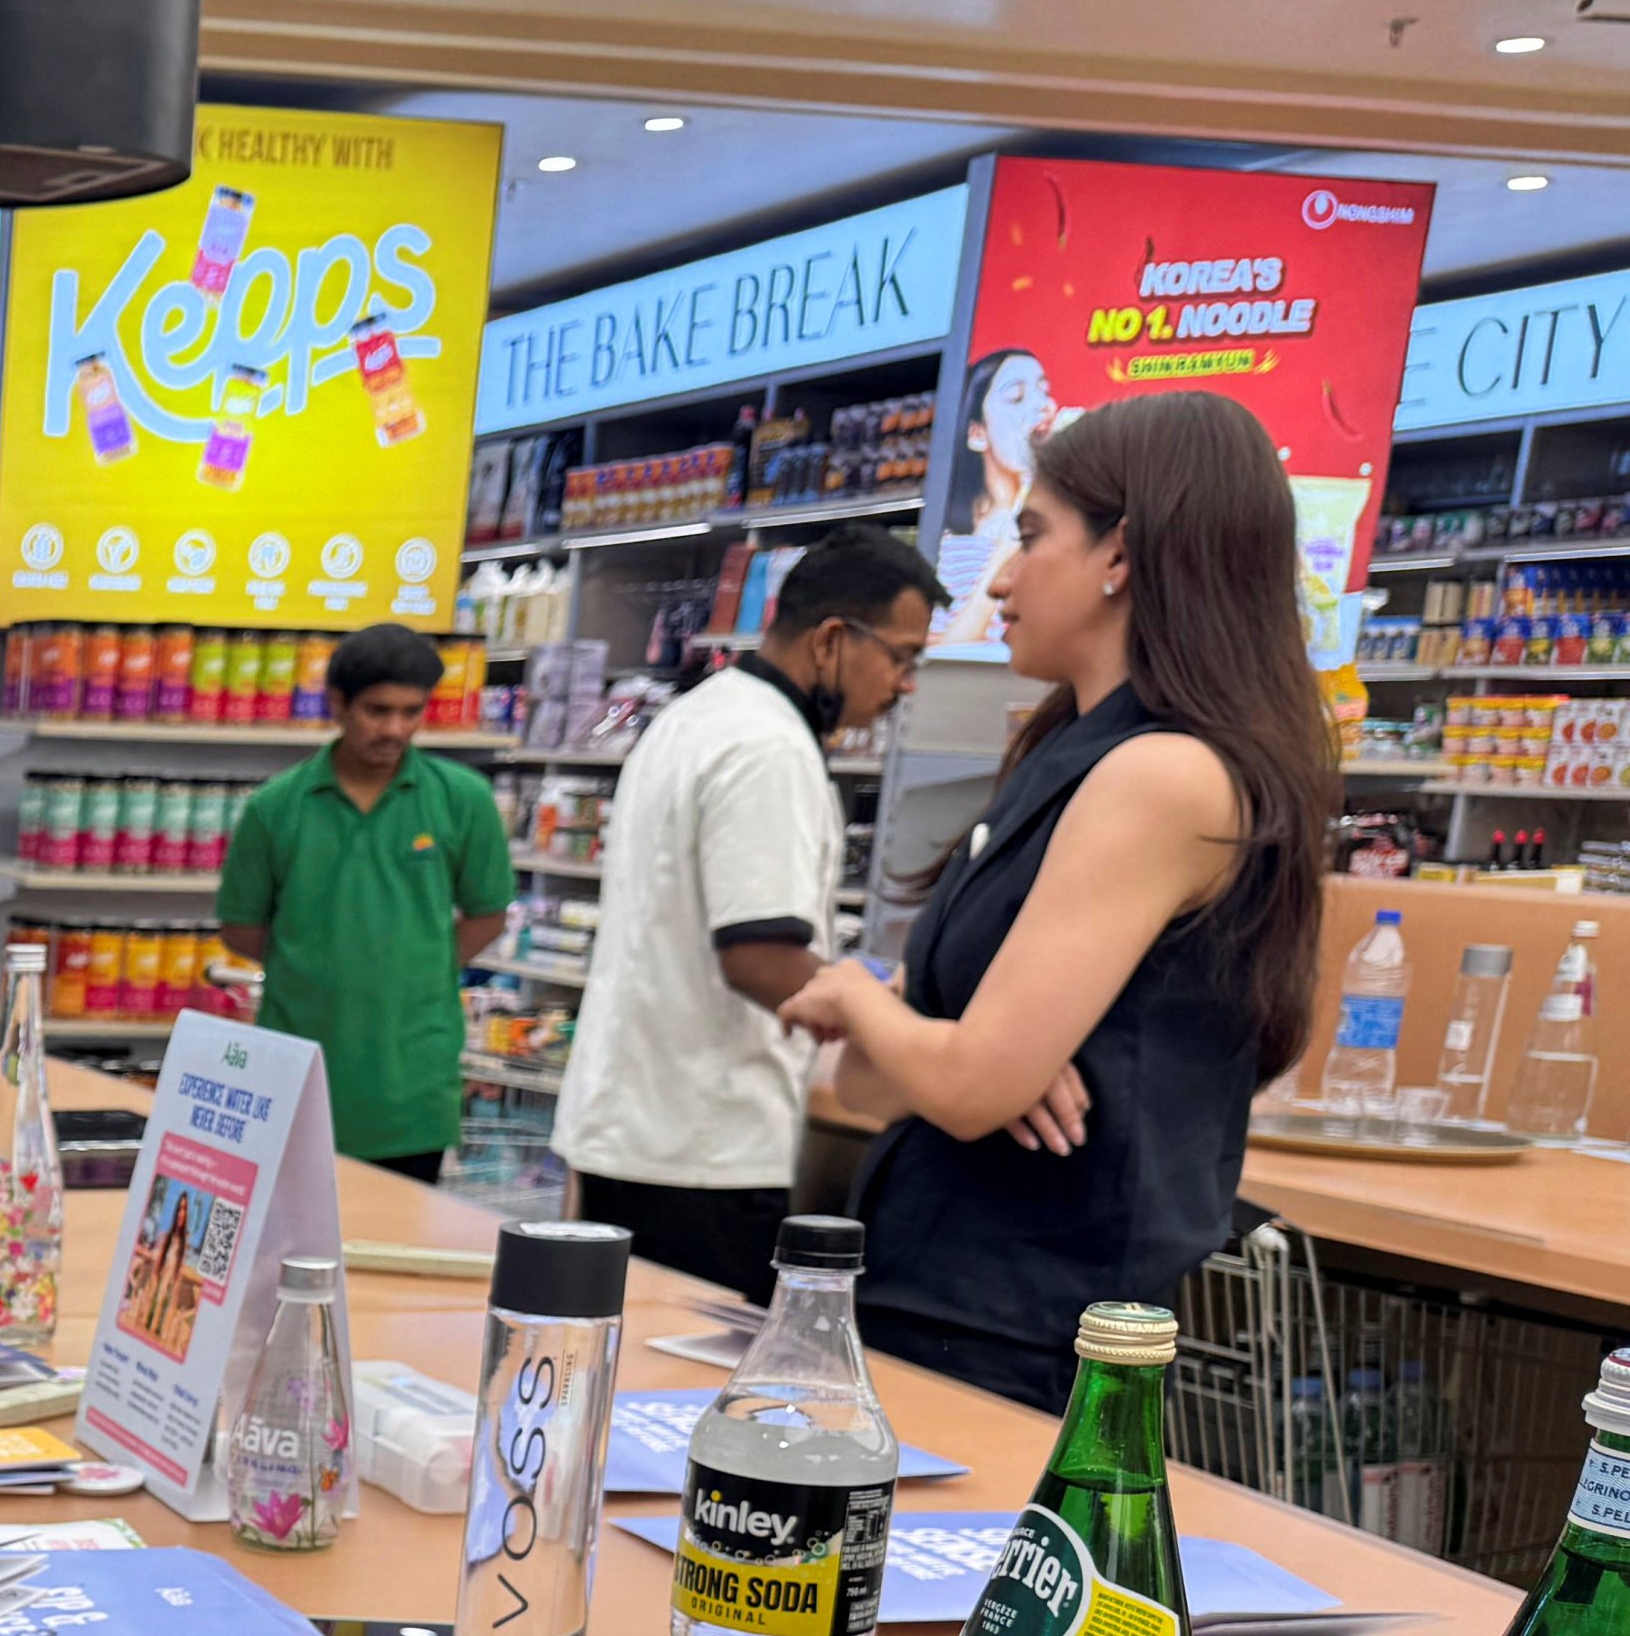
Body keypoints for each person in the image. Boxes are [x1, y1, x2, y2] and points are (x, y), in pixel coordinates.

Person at [782, 390, 1340, 1409]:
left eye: (1033, 535)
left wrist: (861, 996)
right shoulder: (1065, 757)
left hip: (1021, 1328)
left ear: (1121, 554)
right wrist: (951, 1043)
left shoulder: (1162, 776)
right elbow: (873, 1087)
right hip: (939, 1291)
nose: (999, 577)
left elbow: (958, 1080)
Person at [554, 524, 945, 1299]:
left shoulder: (699, 714)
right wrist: (905, 1024)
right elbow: (759, 957)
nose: (903, 685)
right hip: (701, 1147)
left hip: (636, 1126)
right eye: (901, 656)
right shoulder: (769, 748)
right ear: (833, 639)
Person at [213, 623, 515, 1177]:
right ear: (337, 704)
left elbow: (489, 913)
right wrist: (318, 964)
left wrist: (418, 966)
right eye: (377, 711)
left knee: (394, 1252)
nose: (395, 729)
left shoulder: (463, 800)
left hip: (412, 1087)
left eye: (411, 712)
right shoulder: (275, 808)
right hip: (296, 1075)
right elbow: (240, 928)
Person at [934, 347, 1057, 645]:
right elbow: (943, 655)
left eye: (1044, 391)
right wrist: (1004, 554)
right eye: (1016, 397)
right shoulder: (946, 546)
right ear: (977, 434)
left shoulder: (1065, 531)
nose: (1043, 406)